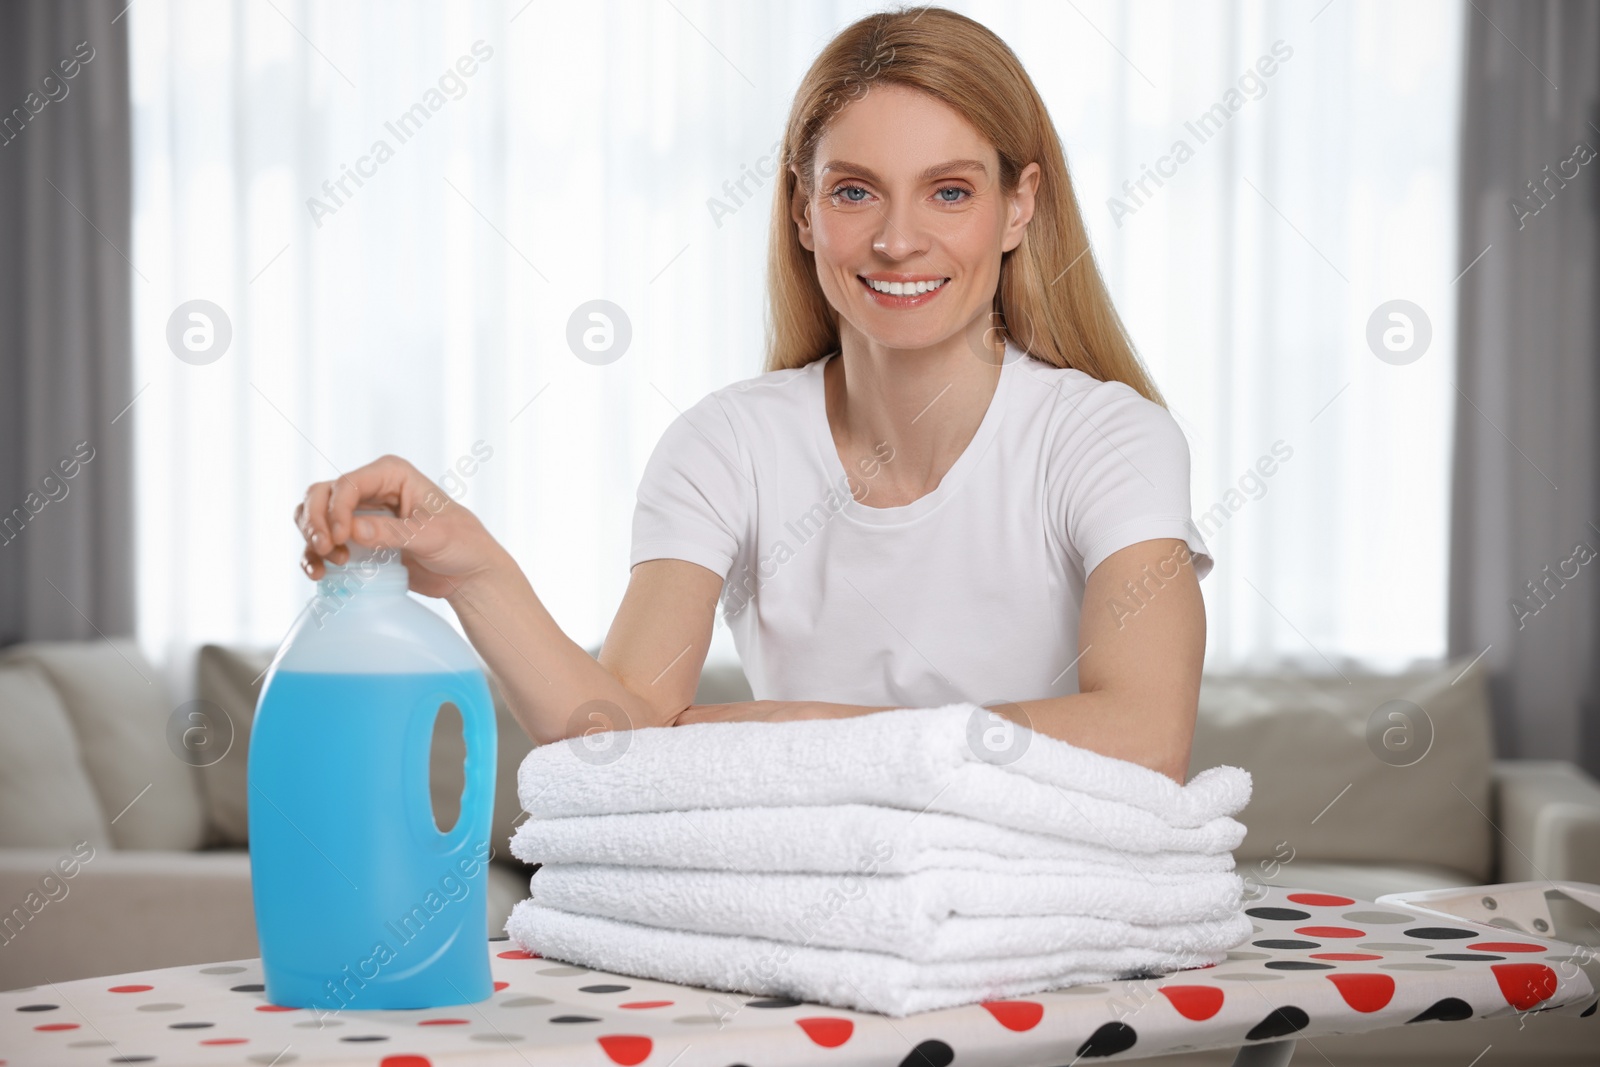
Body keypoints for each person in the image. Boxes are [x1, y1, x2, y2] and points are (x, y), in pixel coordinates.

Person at [295, 6, 1211, 784]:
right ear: (804, 210)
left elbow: (1146, 737)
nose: (898, 240)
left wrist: (811, 732)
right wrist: (473, 572)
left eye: (949, 192)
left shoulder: (1109, 439)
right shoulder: (727, 445)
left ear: (1019, 207)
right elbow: (622, 738)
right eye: (855, 192)